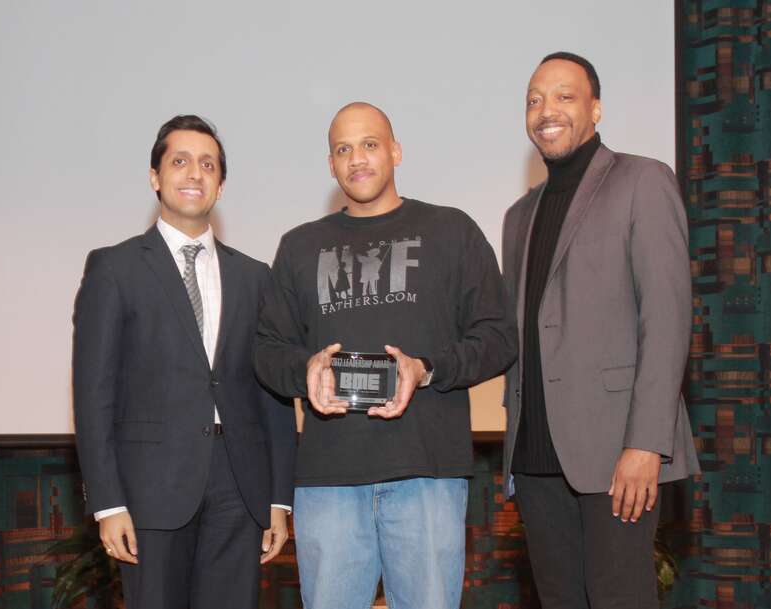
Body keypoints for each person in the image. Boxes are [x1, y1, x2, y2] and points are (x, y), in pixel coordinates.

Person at [254, 102, 517, 609]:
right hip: (329, 482)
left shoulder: (452, 231)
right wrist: (305, 371)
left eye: (369, 144)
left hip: (427, 474)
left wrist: (427, 370)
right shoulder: (299, 246)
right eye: (343, 149)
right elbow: (267, 350)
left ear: (395, 151)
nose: (357, 159)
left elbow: (499, 335)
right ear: (331, 164)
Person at [501, 52, 700, 609]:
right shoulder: (518, 216)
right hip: (535, 458)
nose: (547, 110)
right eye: (534, 100)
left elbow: (667, 318)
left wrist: (646, 444)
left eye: (564, 96)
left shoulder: (643, 180)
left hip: (618, 452)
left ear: (596, 109)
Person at [72, 115, 296, 609]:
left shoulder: (255, 276)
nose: (195, 173)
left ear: (221, 185)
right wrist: (108, 502)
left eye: (208, 164)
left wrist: (279, 499)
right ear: (155, 177)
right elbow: (92, 395)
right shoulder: (114, 268)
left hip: (240, 487)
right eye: (180, 161)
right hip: (149, 488)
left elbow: (273, 394)